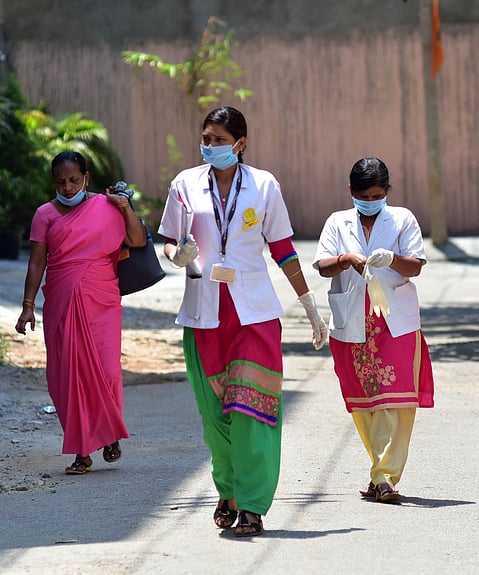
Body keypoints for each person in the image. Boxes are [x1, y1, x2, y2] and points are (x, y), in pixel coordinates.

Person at [159, 106, 328, 537]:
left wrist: (308, 303)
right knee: (216, 416)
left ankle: (252, 505)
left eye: (219, 139)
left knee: (254, 410)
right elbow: (170, 242)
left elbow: (283, 248)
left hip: (254, 312)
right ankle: (228, 489)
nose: (211, 146)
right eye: (206, 138)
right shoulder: (185, 185)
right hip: (203, 312)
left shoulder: (264, 185)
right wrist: (177, 255)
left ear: (240, 143)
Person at [15, 151, 147, 475]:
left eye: (74, 180)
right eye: (61, 181)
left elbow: (137, 239)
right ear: (53, 182)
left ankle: (110, 435)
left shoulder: (106, 206)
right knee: (66, 378)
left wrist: (124, 206)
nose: (68, 186)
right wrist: (27, 307)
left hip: (102, 299)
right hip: (61, 302)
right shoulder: (44, 214)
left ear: (86, 178)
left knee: (108, 372)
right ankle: (82, 451)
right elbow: (36, 262)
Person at [312, 157, 434, 504]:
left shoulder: (402, 219)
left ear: (388, 192)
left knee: (396, 400)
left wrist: (391, 259)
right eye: (363, 195)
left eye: (377, 194)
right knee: (364, 403)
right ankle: (379, 470)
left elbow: (416, 264)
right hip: (352, 321)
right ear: (351, 192)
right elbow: (322, 265)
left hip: (395, 322)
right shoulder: (337, 222)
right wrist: (346, 260)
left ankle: (385, 477)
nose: (370, 200)